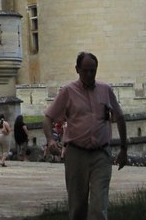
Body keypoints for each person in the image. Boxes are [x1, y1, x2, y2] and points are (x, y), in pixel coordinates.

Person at [43, 52, 127, 220]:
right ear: (77, 69)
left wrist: (124, 149)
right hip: (76, 154)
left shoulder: (105, 90)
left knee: (99, 205)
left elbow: (120, 116)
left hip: (101, 154)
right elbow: (48, 117)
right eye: (85, 70)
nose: (89, 75)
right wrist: (50, 140)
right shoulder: (68, 91)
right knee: (77, 206)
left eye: (93, 70)